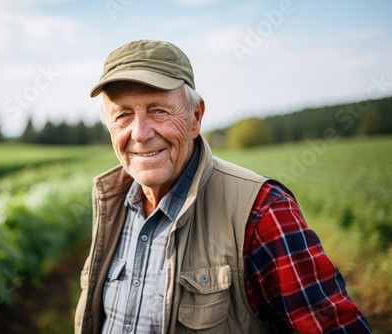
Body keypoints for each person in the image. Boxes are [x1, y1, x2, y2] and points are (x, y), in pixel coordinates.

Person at [74, 40, 372, 334]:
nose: (140, 133)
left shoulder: (261, 210)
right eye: (123, 114)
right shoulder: (111, 201)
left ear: (195, 117)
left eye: (158, 111)